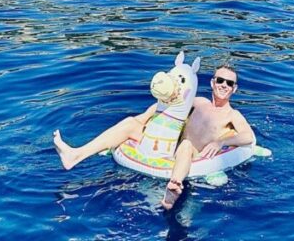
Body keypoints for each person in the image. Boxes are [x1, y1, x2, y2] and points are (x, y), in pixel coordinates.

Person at [52, 63, 255, 210]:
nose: (224, 85)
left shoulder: (232, 115)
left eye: (229, 83)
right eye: (220, 80)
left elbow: (247, 137)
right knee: (131, 122)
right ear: (212, 82)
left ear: (234, 88)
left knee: (185, 144)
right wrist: (145, 118)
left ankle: (174, 187)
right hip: (167, 149)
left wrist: (221, 141)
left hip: (191, 154)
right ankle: (75, 155)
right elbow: (172, 103)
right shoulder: (199, 102)